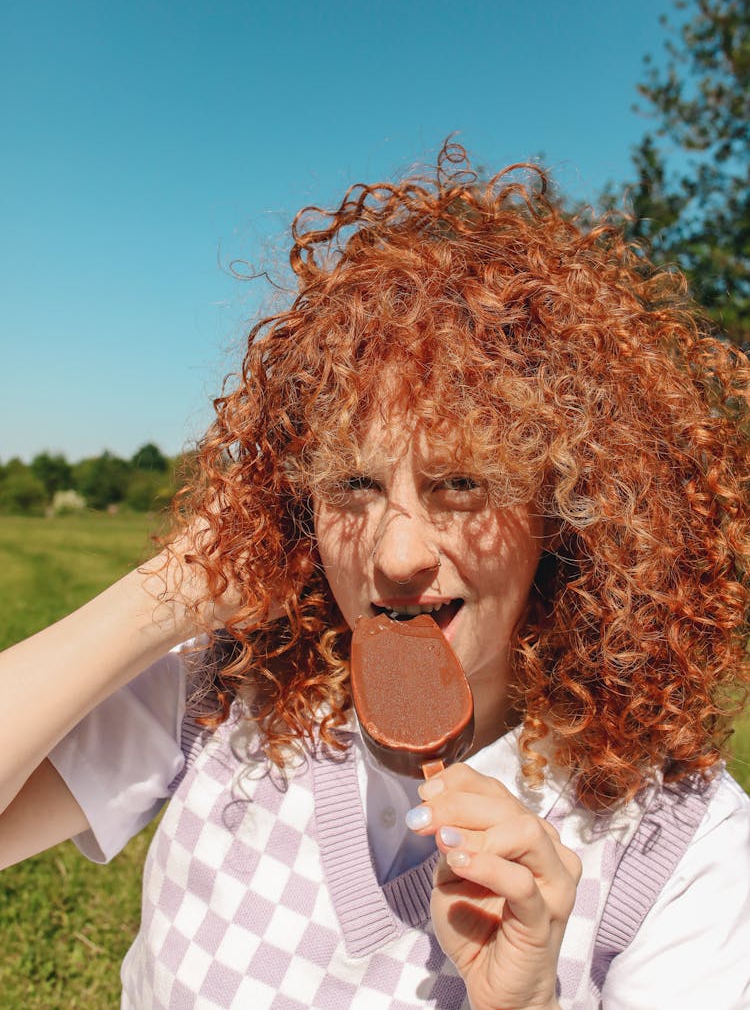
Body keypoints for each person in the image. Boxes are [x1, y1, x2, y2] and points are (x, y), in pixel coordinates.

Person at [1, 142, 748, 1010]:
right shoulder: (225, 692)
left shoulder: (681, 841)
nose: (397, 556)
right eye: (354, 483)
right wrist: (175, 587)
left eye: (462, 482)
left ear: (569, 506)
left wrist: (527, 1002)